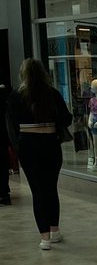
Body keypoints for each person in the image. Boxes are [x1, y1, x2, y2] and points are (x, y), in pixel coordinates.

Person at [5, 58, 72, 249]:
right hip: (50, 143)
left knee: (37, 190)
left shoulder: (17, 96)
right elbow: (67, 118)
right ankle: (55, 230)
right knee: (51, 188)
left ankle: (45, 238)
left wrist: (18, 145)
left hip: (28, 144)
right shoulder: (52, 94)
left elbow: (10, 124)